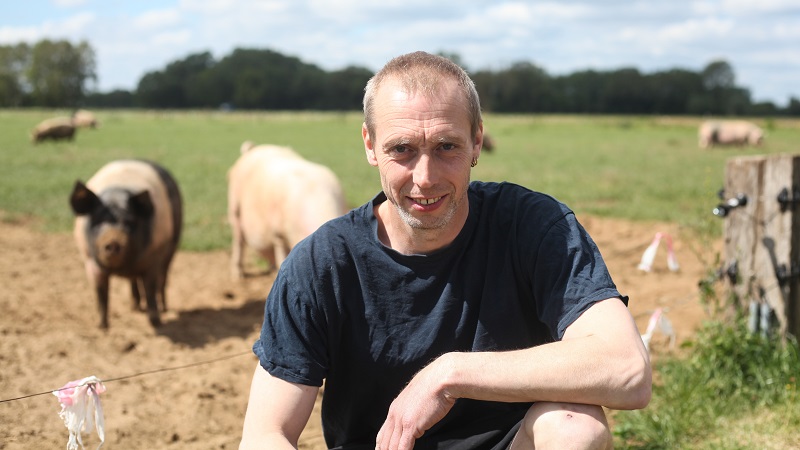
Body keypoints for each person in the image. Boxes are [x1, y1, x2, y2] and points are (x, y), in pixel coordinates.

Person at [240, 51, 651, 450]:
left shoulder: (534, 227)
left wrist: (448, 375)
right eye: (402, 149)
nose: (425, 178)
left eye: (446, 147)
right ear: (370, 144)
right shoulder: (320, 264)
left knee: (575, 428)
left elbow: (628, 369)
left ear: (477, 142)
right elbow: (265, 434)